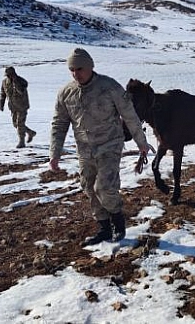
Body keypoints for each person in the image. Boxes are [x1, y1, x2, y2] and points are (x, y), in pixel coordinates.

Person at [49, 48, 154, 246]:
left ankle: (117, 221)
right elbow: (59, 123)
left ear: (89, 67)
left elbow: (130, 116)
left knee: (104, 187)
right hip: (85, 149)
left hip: (110, 145)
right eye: (71, 69)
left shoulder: (110, 87)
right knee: (88, 187)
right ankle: (104, 228)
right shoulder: (66, 93)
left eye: (79, 68)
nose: (75, 73)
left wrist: (141, 143)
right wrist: (55, 153)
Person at [0, 66, 36, 148]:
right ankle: (30, 132)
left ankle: (21, 142)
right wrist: (1, 104)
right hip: (13, 107)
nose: (8, 77)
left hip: (22, 106)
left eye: (9, 75)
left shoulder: (22, 81)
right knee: (15, 124)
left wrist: (16, 83)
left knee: (20, 124)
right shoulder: (4, 82)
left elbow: (21, 92)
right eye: (7, 75)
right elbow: (3, 94)